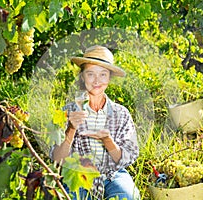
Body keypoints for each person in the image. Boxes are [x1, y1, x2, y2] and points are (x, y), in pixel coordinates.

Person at [50, 45, 140, 199]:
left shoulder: (121, 114)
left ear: (109, 78)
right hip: (78, 174)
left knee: (127, 196)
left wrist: (108, 141)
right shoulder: (67, 112)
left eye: (103, 74)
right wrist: (70, 130)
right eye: (90, 74)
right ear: (83, 76)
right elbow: (57, 159)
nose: (97, 80)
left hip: (112, 175)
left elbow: (127, 158)